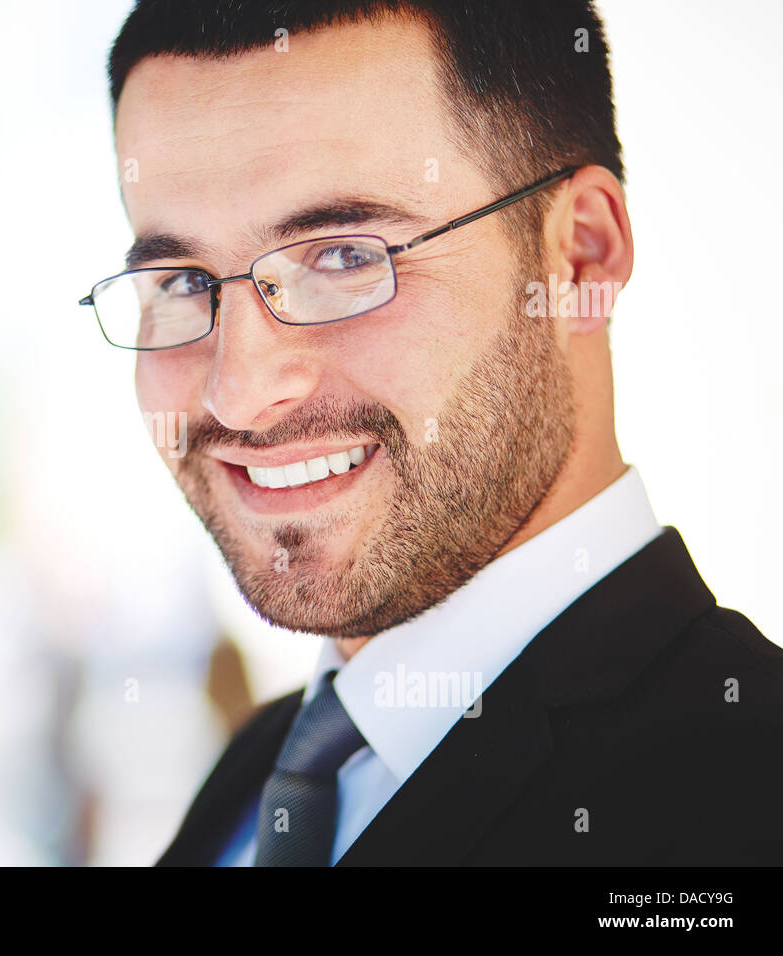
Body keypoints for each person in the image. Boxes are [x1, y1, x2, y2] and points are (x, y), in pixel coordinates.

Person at [78, 0, 783, 866]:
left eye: (344, 256)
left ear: (581, 258)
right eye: (183, 280)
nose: (240, 390)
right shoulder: (252, 778)